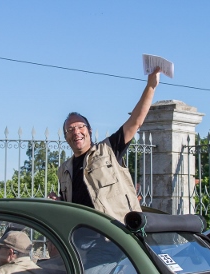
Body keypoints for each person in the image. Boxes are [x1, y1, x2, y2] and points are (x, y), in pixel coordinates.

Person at [50, 68, 161, 222]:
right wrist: (59, 202)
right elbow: (71, 204)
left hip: (116, 235)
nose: (76, 132)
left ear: (89, 130)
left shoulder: (109, 149)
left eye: (80, 126)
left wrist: (151, 86)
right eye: (70, 129)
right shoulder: (64, 170)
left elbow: (136, 121)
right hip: (81, 238)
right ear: (66, 137)